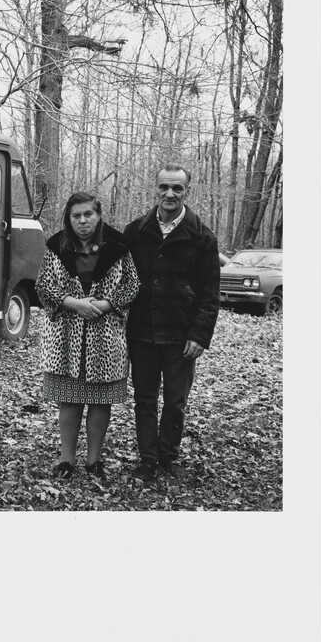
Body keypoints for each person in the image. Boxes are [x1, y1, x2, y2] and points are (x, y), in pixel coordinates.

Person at [123, 164, 220, 482]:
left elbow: (210, 293)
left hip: (182, 336)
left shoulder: (203, 237)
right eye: (164, 187)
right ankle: (148, 460)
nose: (170, 194)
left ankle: (170, 457)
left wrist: (200, 334)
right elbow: (119, 281)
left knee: (176, 401)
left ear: (186, 192)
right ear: (156, 188)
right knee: (145, 399)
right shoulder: (135, 232)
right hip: (141, 333)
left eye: (177, 188)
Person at [36, 191, 139, 481]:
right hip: (65, 338)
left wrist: (106, 305)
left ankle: (94, 460)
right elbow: (43, 287)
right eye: (76, 215)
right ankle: (67, 459)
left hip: (105, 337)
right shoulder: (56, 246)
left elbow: (132, 286)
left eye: (88, 214)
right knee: (69, 399)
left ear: (98, 215)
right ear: (69, 219)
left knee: (100, 401)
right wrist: (74, 303)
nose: (82, 220)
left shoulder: (118, 246)